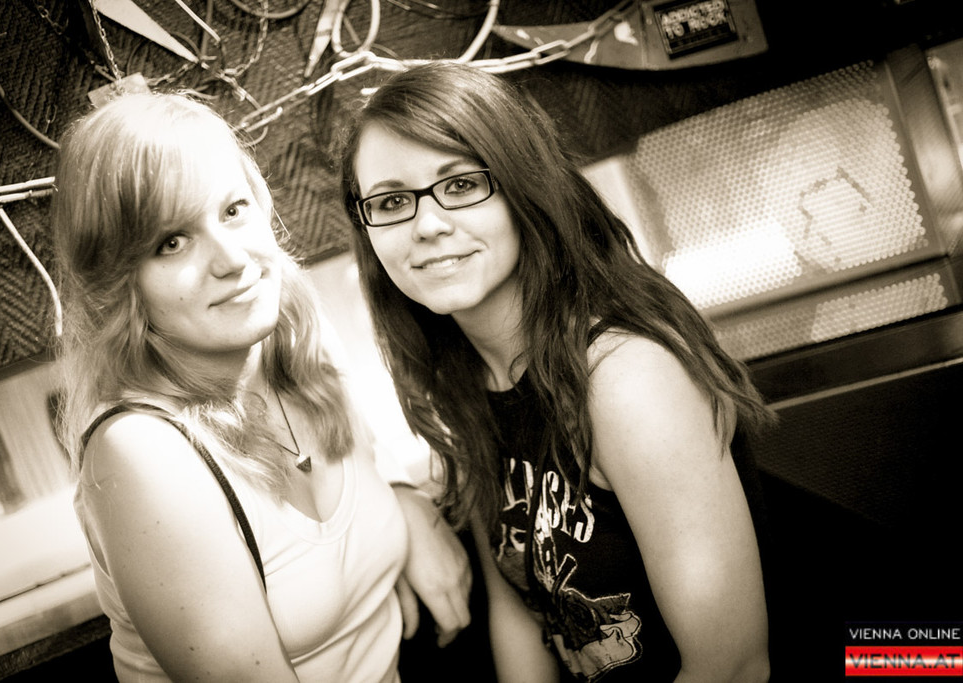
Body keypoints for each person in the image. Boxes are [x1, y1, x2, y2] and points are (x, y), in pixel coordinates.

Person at [338, 62, 775, 682]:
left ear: (523, 185)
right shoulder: (469, 383)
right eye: (390, 202)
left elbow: (733, 667)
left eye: (461, 184)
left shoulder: (624, 377)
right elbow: (521, 613)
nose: (427, 224)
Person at [50, 90, 470, 682]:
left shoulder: (292, 337)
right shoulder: (142, 451)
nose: (232, 259)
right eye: (172, 242)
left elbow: (367, 472)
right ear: (119, 284)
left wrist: (407, 503)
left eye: (233, 210)